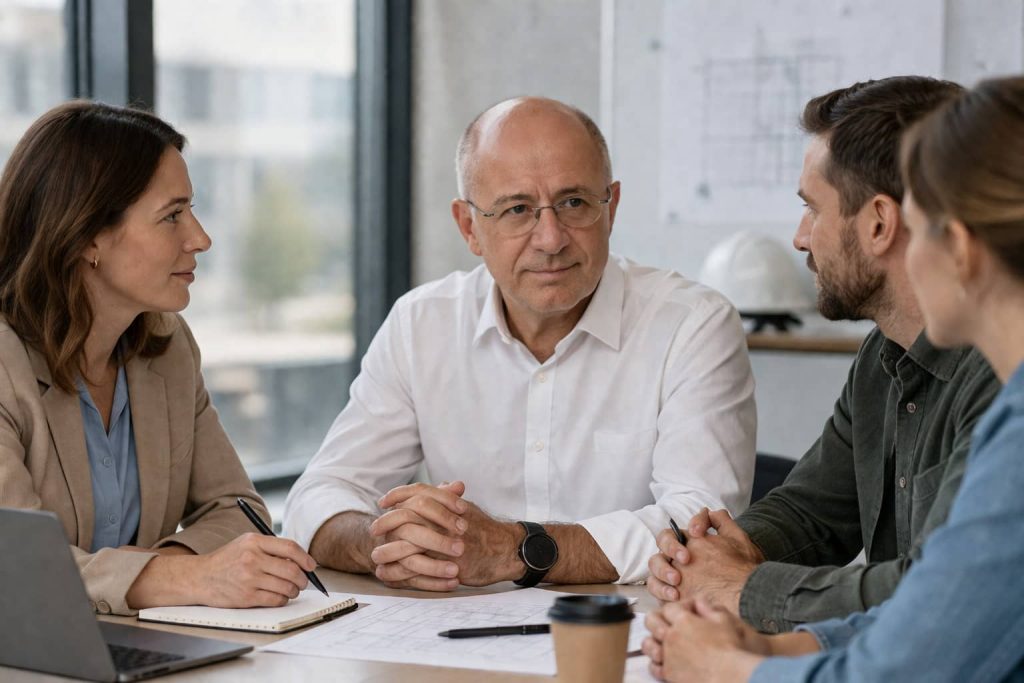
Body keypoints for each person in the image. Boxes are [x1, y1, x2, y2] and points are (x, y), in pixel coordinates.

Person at [284, 96, 757, 590]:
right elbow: (320, 494)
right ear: (469, 226)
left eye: (574, 203)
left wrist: (517, 550)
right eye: (517, 209)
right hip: (457, 644)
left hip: (629, 639)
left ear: (610, 209)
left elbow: (701, 526)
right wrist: (386, 543)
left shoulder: (694, 324)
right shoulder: (421, 323)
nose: (550, 238)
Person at [643, 73, 1024, 683]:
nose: (799, 237)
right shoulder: (896, 362)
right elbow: (932, 610)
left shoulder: (1014, 413)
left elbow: (913, 651)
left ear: (956, 245)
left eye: (919, 223)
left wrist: (729, 664)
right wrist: (736, 588)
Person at [0, 101, 317, 616]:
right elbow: (15, 567)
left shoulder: (168, 349)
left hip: (135, 646)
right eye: (173, 215)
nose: (201, 238)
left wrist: (161, 568)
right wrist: (181, 577)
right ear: (88, 236)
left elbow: (238, 511)